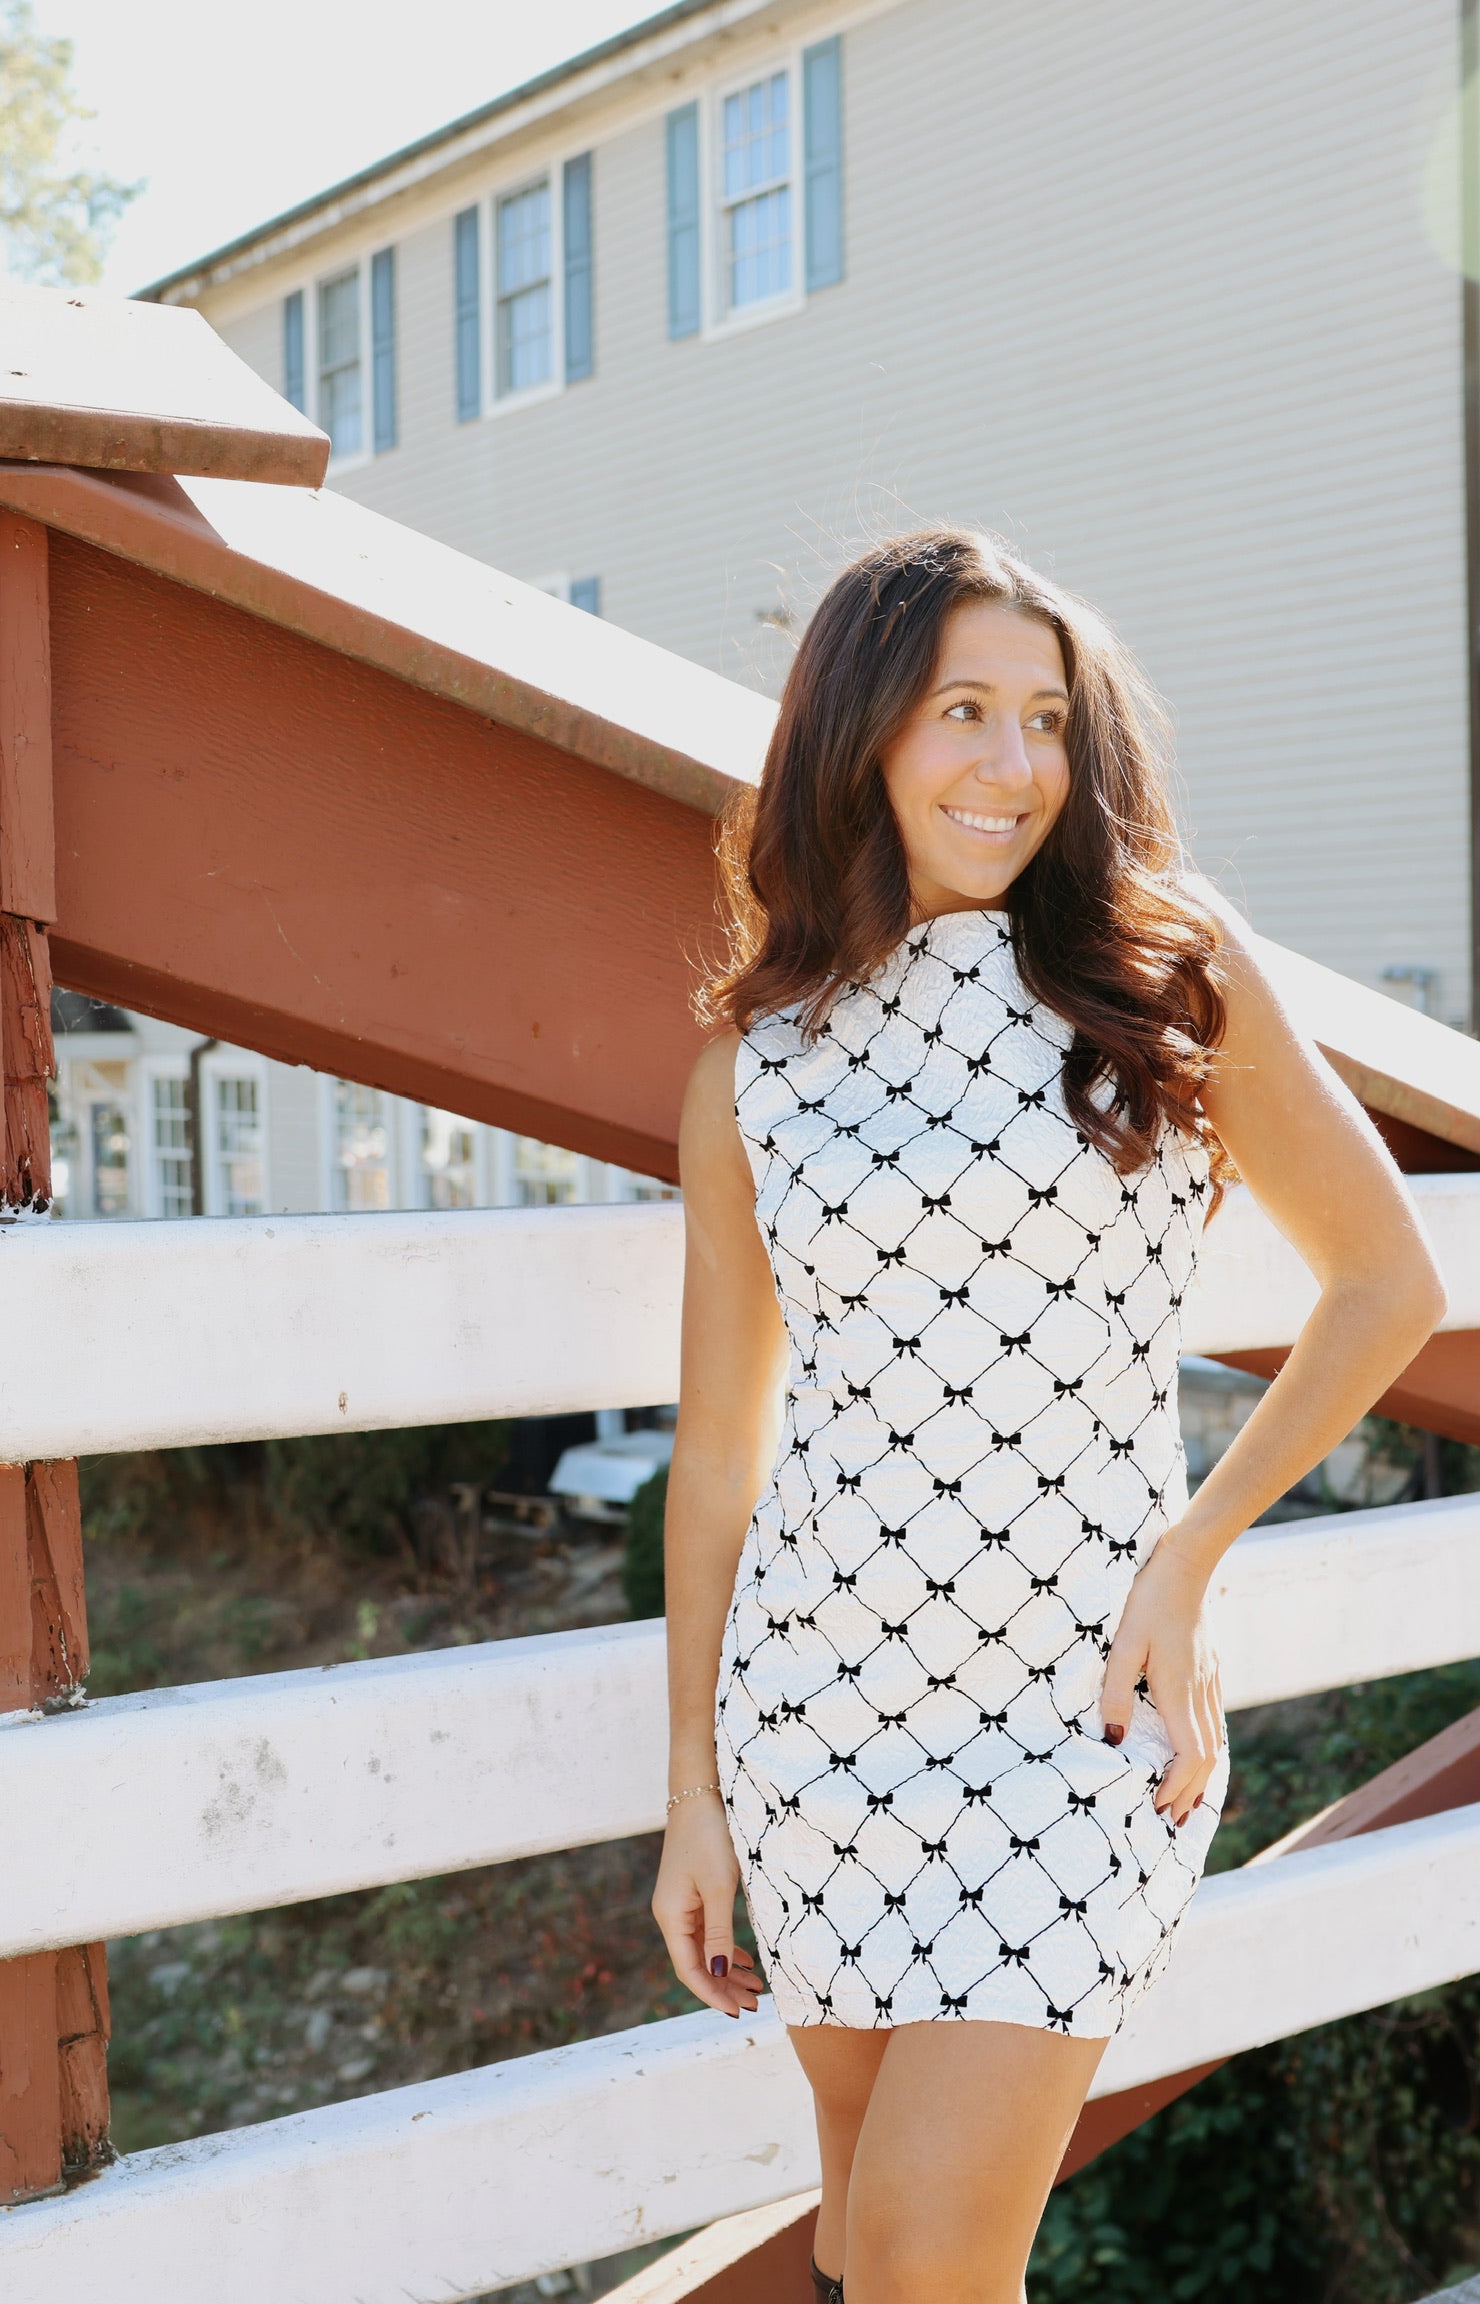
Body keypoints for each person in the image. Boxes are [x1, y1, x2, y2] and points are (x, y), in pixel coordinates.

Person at [651, 530, 1444, 2304]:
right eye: (964, 714)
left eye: (1046, 720)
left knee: (933, 2247)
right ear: (860, 736)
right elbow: (717, 1465)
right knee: (864, 2235)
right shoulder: (753, 1068)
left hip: (1073, 1708)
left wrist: (1191, 1555)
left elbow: (1389, 1284)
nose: (1015, 767)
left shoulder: (1165, 969)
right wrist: (692, 1793)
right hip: (817, 1715)